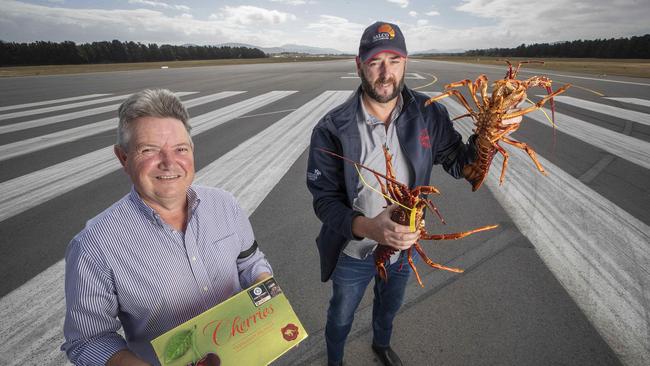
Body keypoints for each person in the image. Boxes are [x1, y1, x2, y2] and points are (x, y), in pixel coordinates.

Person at [306, 21, 521, 366]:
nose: (385, 72)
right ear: (358, 64)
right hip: (354, 249)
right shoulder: (332, 128)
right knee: (341, 315)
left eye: (394, 60)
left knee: (390, 305)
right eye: (375, 61)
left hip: (406, 246)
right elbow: (324, 200)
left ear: (406, 62)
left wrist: (488, 139)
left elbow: (462, 165)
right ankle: (335, 360)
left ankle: (381, 344)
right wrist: (368, 227)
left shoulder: (429, 112)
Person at [61, 89, 273, 365]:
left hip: (248, 354)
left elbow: (250, 261)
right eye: (148, 150)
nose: (169, 163)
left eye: (180, 149)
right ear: (123, 158)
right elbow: (87, 341)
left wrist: (267, 294)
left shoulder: (225, 204)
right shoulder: (94, 246)